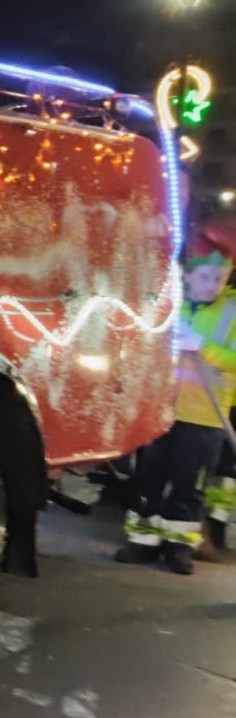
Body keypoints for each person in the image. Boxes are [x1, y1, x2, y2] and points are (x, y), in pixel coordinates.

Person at [120, 245, 236, 574]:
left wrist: (204, 347)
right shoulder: (169, 303)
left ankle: (179, 546)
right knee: (148, 479)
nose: (212, 284)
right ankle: (142, 542)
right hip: (159, 409)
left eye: (219, 277)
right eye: (204, 276)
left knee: (190, 485)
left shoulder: (233, 312)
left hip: (204, 416)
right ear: (186, 275)